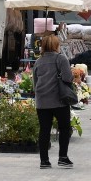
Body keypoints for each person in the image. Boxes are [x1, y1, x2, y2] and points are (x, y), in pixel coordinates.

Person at [32, 34, 74, 169]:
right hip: (59, 101)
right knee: (64, 128)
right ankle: (63, 157)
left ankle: (44, 160)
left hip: (42, 101)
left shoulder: (38, 62)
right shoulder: (61, 59)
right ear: (56, 45)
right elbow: (68, 78)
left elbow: (35, 83)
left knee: (44, 130)